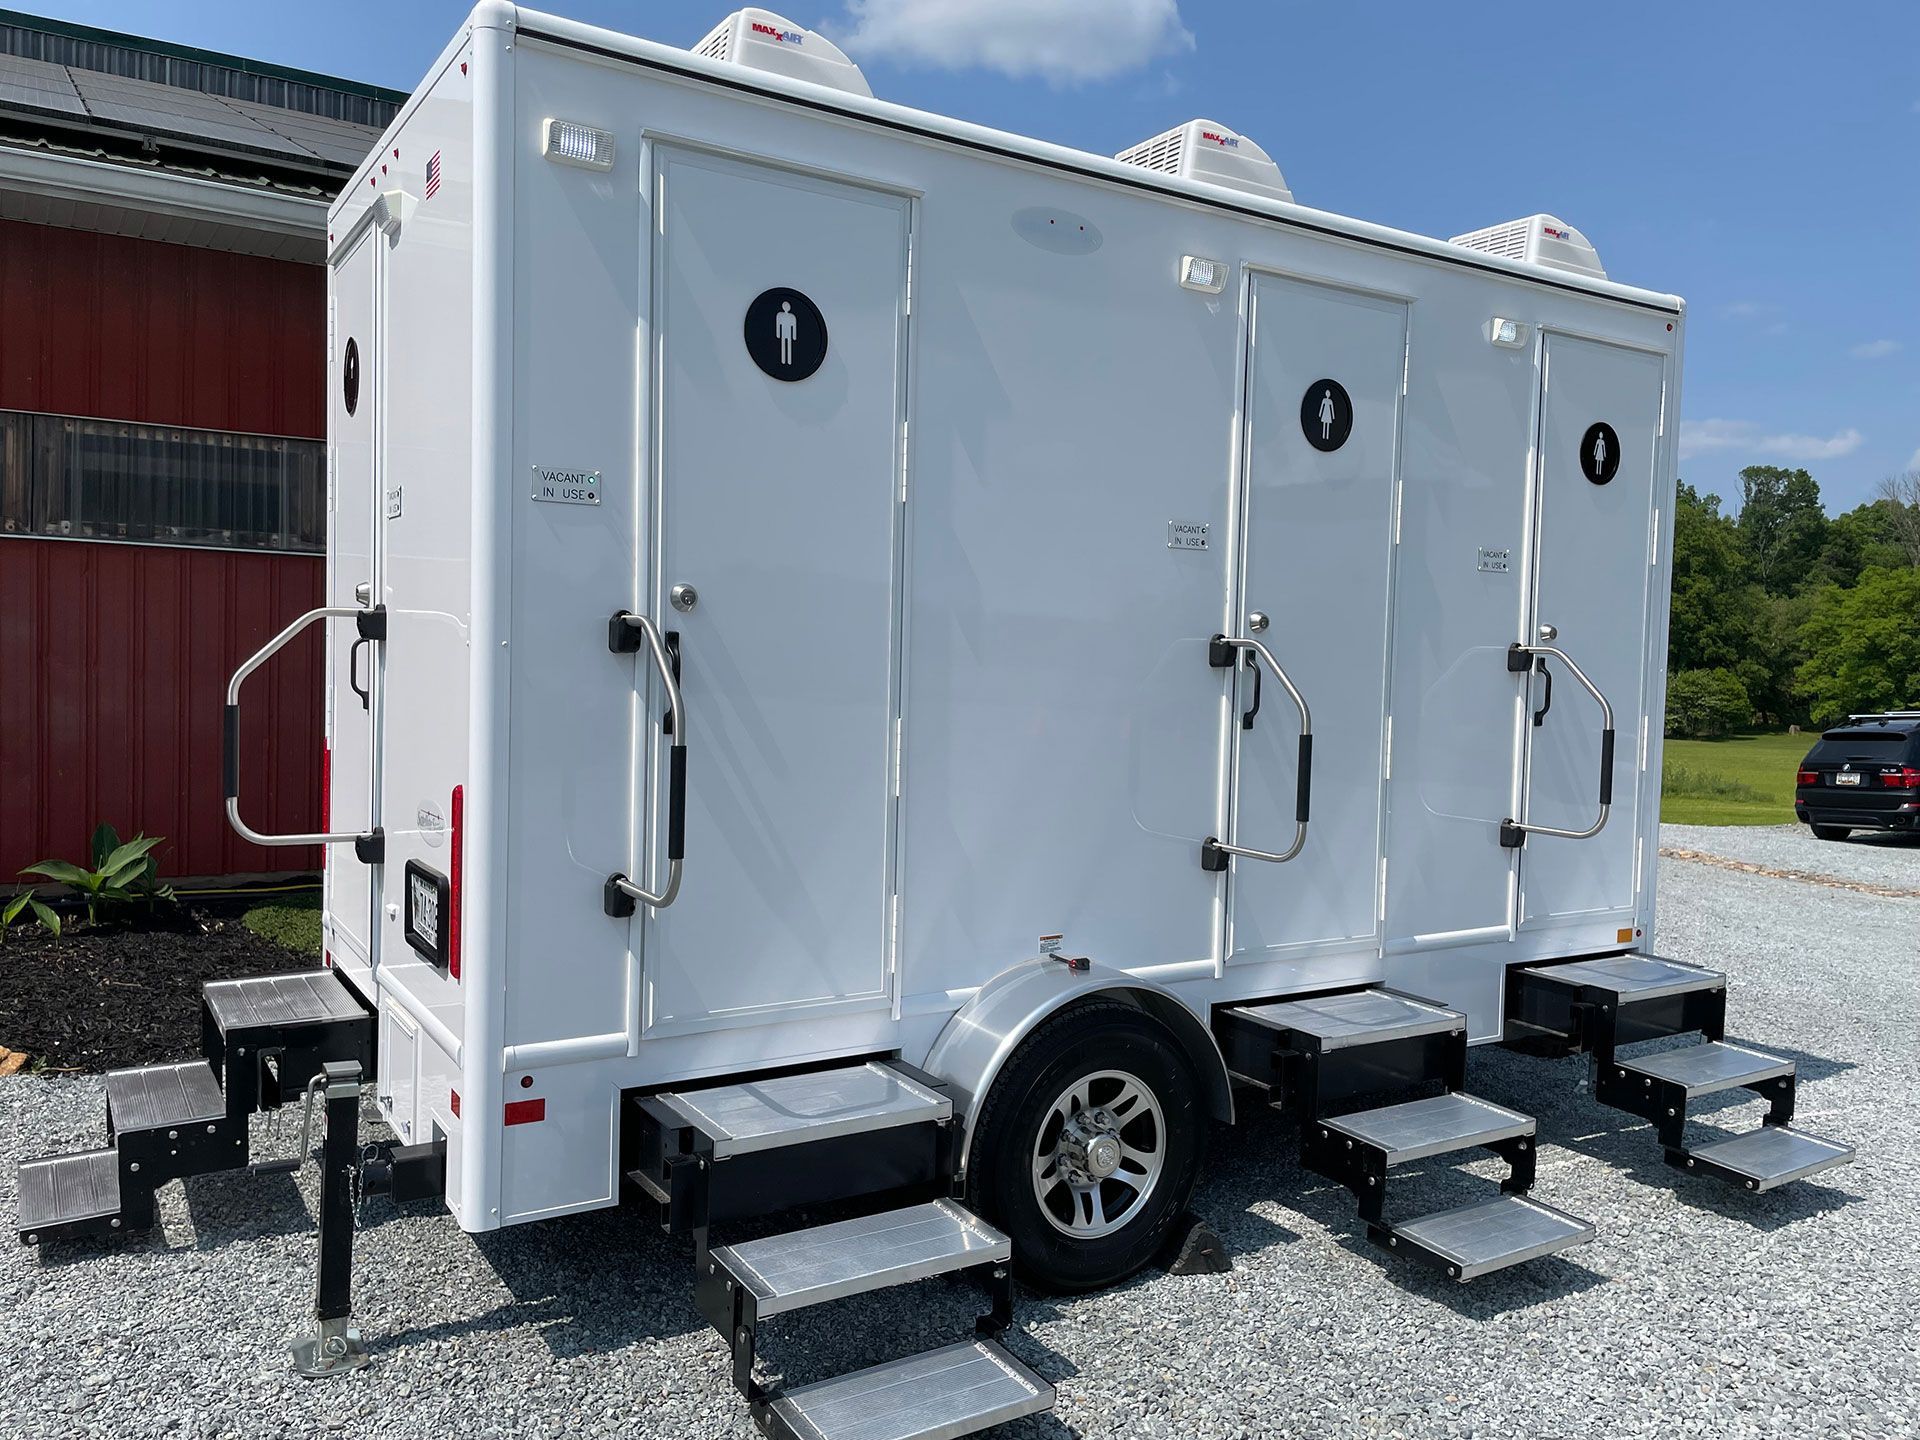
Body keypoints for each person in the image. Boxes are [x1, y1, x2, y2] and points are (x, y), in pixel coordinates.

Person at [775, 300, 797, 366]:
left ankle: (789, 361)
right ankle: (783, 360)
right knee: (783, 345)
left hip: (789, 333)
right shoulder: (780, 315)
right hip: (783, 333)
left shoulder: (792, 316)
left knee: (789, 346)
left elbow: (794, 327)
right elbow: (778, 325)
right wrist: (778, 334)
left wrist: (794, 336)